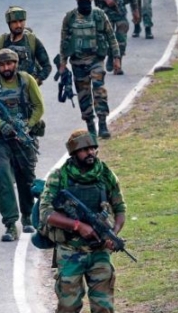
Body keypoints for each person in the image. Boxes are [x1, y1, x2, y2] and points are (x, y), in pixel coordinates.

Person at [39, 129, 127, 313]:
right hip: (70, 251)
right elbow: (46, 213)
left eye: (93, 148)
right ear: (74, 152)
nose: (90, 153)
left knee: (104, 307)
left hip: (99, 251)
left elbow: (120, 209)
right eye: (84, 149)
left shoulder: (105, 175)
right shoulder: (59, 176)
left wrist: (114, 234)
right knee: (68, 306)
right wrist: (78, 226)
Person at [0, 48, 45, 241]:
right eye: (2, 65)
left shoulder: (27, 80)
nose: (6, 68)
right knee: (3, 176)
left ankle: (28, 216)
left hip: (23, 137)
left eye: (9, 64)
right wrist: (0, 124)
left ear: (16, 64)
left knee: (26, 177)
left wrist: (28, 126)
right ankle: (10, 224)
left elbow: (39, 107)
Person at [58, 0, 120, 139]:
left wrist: (117, 57)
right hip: (78, 63)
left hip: (96, 60)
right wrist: (62, 63)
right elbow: (64, 40)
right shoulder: (70, 18)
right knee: (83, 95)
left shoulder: (99, 16)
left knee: (99, 89)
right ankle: (91, 127)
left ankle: (103, 123)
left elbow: (111, 36)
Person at [0, 6, 52, 85]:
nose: (18, 25)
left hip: (28, 90)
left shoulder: (32, 41)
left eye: (21, 21)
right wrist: (1, 78)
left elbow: (47, 66)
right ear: (9, 23)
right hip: (4, 92)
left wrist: (37, 80)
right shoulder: (1, 42)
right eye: (14, 22)